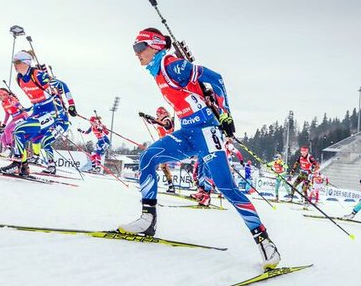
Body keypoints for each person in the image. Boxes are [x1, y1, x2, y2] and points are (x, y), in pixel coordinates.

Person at [118, 27, 279, 269]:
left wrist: (225, 115)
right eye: (134, 49)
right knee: (149, 157)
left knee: (226, 187)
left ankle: (265, 242)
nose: (136, 53)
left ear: (155, 45)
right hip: (187, 133)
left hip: (207, 133)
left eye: (139, 48)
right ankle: (147, 219)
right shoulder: (157, 72)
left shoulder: (172, 65)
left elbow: (217, 78)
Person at [2, 51, 75, 177]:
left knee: (30, 133)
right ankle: (23, 166)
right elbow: (35, 97)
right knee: (19, 133)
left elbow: (63, 85)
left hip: (50, 113)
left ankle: (18, 163)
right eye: (14, 62)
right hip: (37, 111)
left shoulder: (38, 75)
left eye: (17, 62)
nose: (15, 65)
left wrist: (72, 105)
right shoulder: (19, 79)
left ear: (26, 63)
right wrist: (27, 108)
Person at [140, 106, 177, 193]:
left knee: (151, 159)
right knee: (162, 165)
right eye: (156, 115)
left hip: (168, 145)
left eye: (158, 114)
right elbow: (152, 121)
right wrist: (145, 116)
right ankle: (170, 185)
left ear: (163, 113)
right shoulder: (160, 119)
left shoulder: (167, 119)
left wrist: (151, 118)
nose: (157, 116)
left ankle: (152, 183)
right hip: (163, 145)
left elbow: (165, 125)